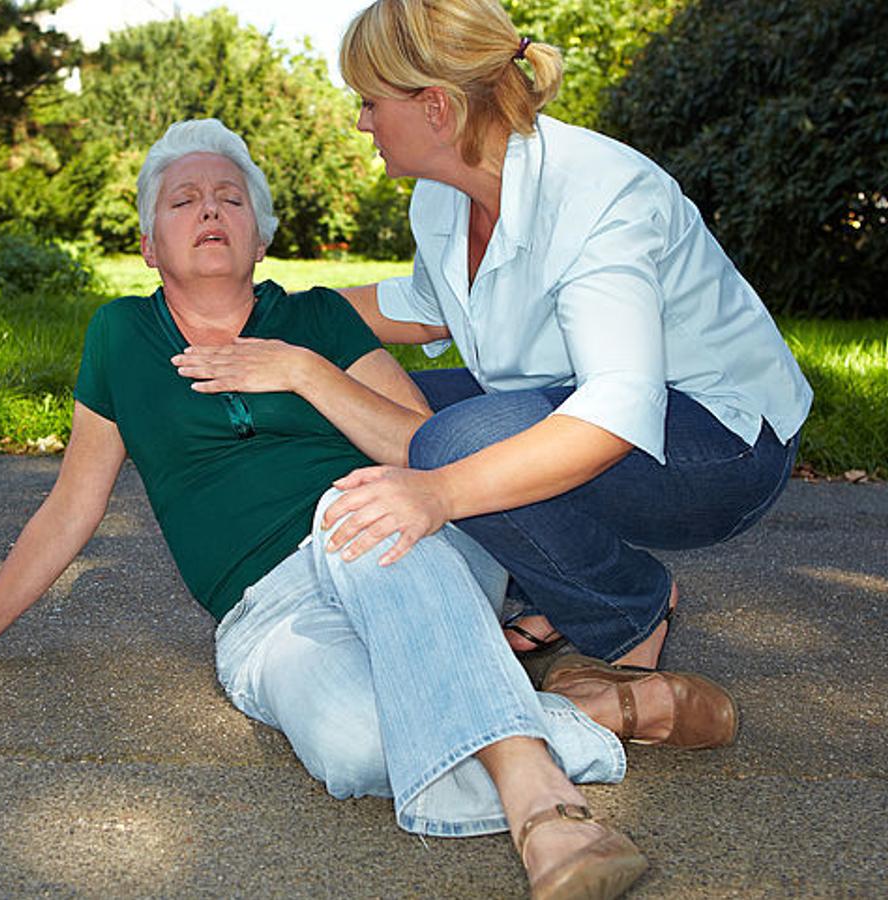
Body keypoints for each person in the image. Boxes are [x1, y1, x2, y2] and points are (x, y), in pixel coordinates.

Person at [0, 119, 733, 899]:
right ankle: (598, 715)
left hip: (391, 536)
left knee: (355, 514)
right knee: (354, 751)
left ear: (261, 233)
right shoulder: (119, 336)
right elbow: (70, 509)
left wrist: (304, 372)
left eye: (230, 198)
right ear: (150, 243)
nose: (208, 211)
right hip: (262, 614)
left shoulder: (312, 318)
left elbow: (422, 451)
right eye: (184, 200)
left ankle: (547, 812)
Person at [319, 0, 813, 678]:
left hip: (724, 443)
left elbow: (616, 411)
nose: (362, 121)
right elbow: (427, 309)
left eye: (370, 101)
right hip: (586, 402)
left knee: (450, 444)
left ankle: (627, 612)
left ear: (436, 106)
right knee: (358, 407)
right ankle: (547, 587)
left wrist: (438, 492)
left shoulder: (598, 191)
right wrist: (270, 311)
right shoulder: (441, 194)